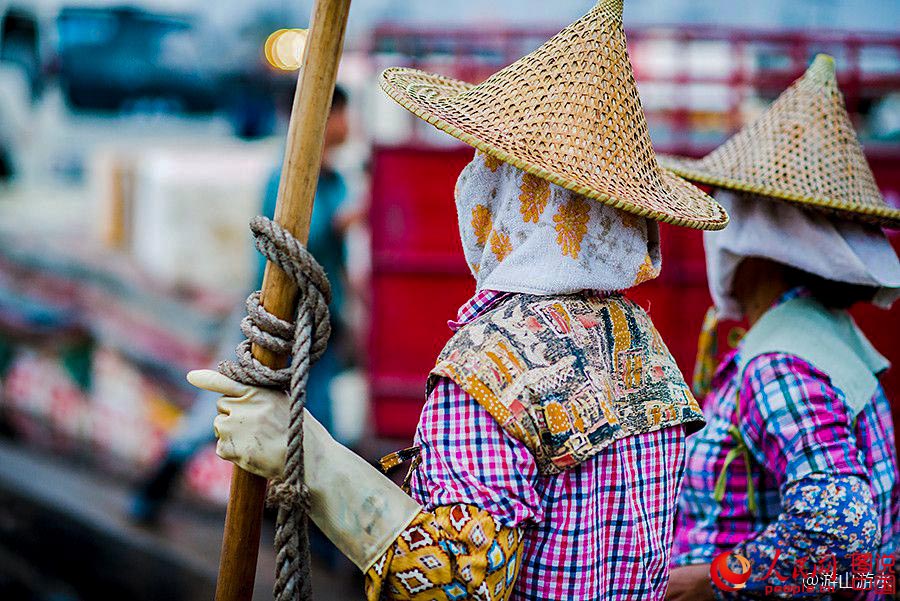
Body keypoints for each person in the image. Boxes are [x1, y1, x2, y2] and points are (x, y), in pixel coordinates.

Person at [188, 1, 728, 599]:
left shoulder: (492, 367)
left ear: (507, 194)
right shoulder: (645, 346)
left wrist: (315, 462)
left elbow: (458, 585)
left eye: (486, 165)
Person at [662, 55, 900, 599]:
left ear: (757, 240)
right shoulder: (825, 335)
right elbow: (874, 567)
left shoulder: (781, 363)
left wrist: (711, 582)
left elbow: (841, 537)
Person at [130, 86, 354, 525]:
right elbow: (291, 247)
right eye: (343, 115)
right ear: (324, 121)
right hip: (271, 322)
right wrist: (342, 221)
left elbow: (337, 266)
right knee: (219, 410)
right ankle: (157, 480)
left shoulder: (340, 182)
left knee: (323, 429)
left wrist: (351, 312)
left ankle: (314, 533)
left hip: (320, 328)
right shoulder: (286, 179)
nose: (350, 125)